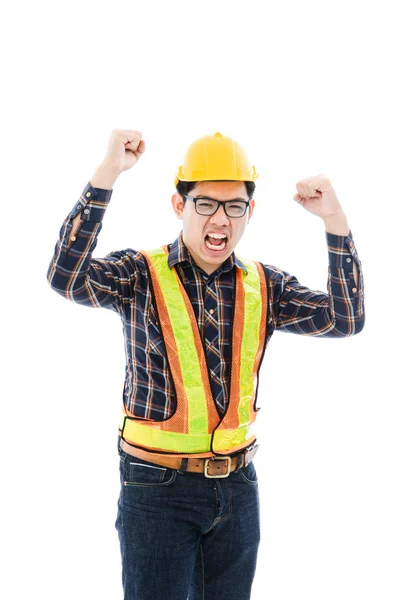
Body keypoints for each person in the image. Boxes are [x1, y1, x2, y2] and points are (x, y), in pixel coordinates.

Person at [46, 128, 365, 600]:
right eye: (206, 204)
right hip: (156, 488)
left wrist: (334, 220)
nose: (220, 219)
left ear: (250, 212)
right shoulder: (138, 274)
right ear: (180, 206)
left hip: (237, 488)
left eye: (234, 205)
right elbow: (65, 276)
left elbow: (346, 318)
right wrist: (108, 172)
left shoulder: (265, 284)